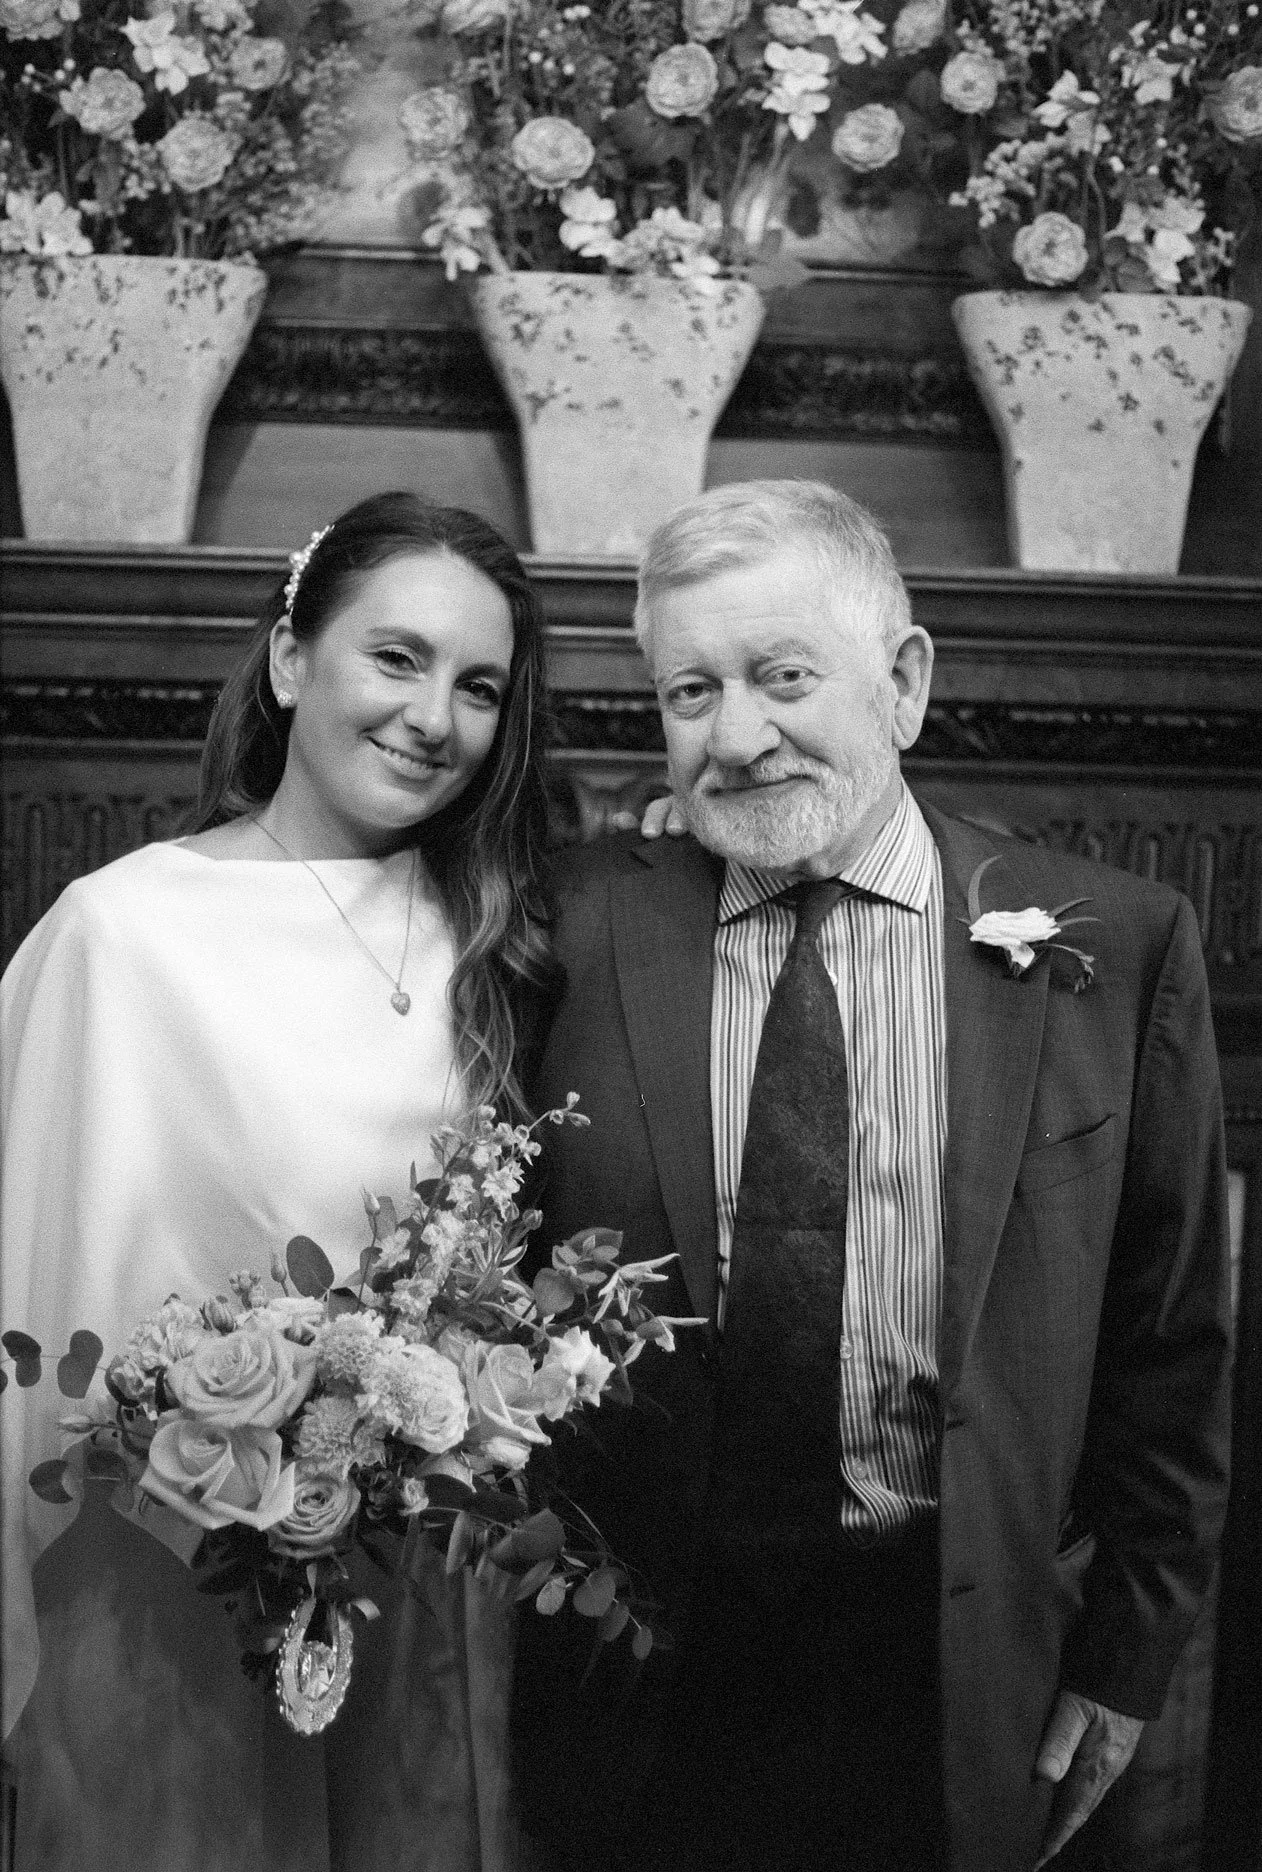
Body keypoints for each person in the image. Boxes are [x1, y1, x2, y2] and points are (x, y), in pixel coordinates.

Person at [511, 479, 1233, 1872]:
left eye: (783, 677)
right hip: (634, 1672)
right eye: (689, 693)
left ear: (902, 683)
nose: (734, 738)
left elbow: (1170, 1351)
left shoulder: (1115, 949)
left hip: (960, 1660)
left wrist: (1126, 1659)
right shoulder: (570, 927)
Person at [1, 492, 557, 1872]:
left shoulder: (496, 940)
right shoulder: (124, 933)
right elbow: (29, 1268)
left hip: (422, 1590)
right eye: (397, 657)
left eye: (478, 686)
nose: (434, 717)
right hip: (162, 1575)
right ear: (292, 660)